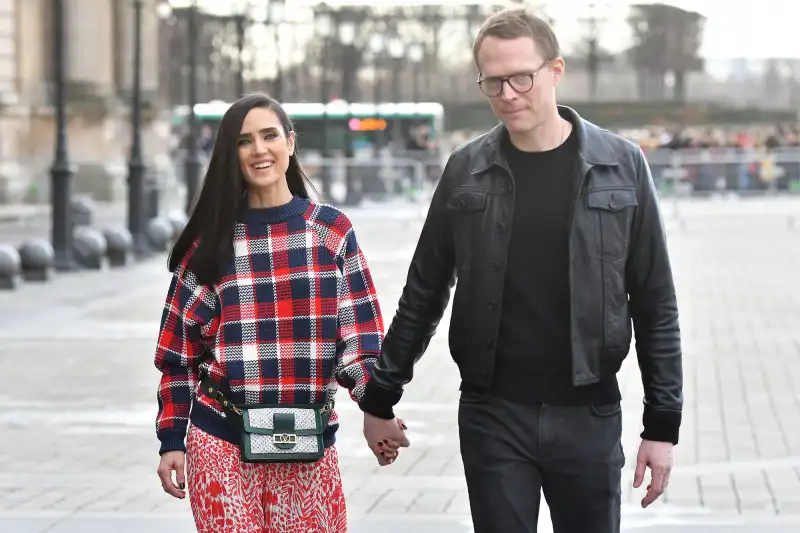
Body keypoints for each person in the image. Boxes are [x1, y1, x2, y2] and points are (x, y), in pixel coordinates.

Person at [357, 8, 682, 533]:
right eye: (493, 81)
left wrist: (662, 426)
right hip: (493, 414)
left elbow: (655, 303)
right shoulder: (466, 170)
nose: (507, 94)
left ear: (555, 71)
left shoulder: (621, 165)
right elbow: (424, 292)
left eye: (521, 78)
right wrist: (379, 398)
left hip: (589, 415)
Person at [153, 92, 406, 532]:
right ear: (231, 155)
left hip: (309, 447)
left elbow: (360, 341)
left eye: (269, 135)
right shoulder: (210, 245)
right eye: (244, 141)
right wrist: (171, 438)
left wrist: (376, 407)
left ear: (290, 142)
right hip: (222, 442)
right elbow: (178, 356)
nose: (259, 149)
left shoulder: (331, 232)